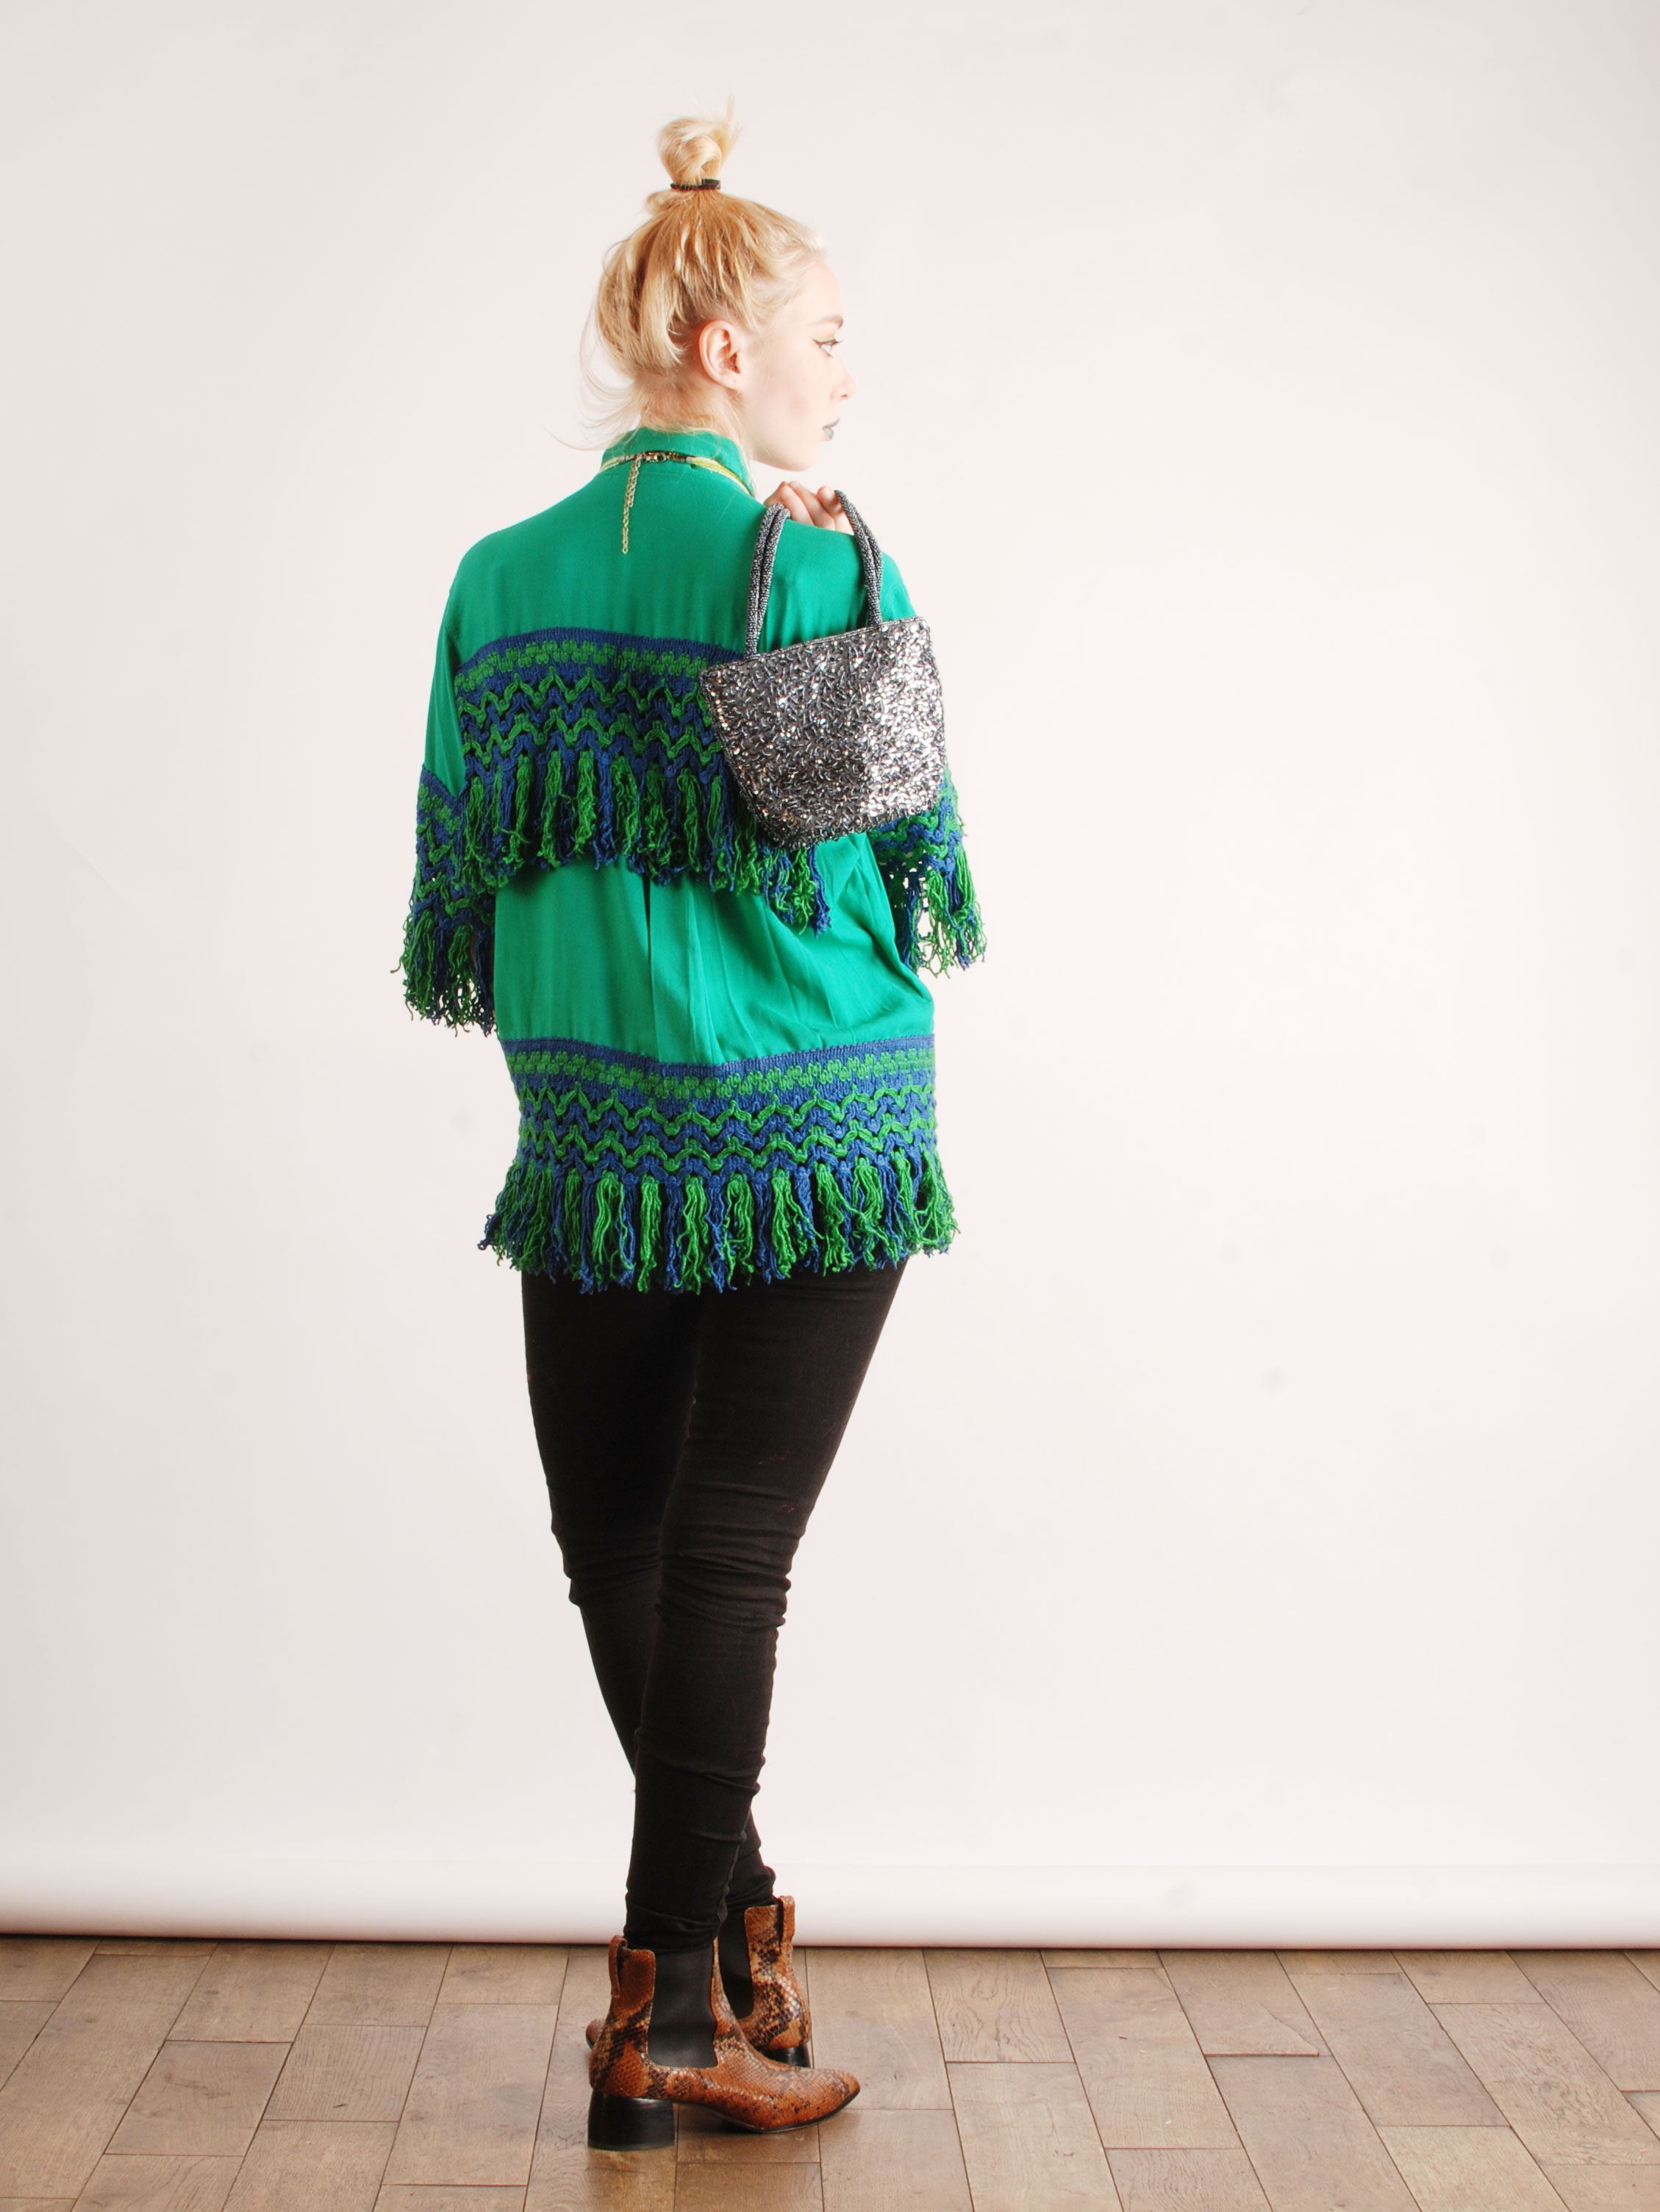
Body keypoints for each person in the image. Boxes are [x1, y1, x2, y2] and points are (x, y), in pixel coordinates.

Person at [398, 107, 984, 2147]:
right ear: (726, 351)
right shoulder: (819, 555)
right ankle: (681, 1996)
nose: (847, 371)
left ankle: (712, 1952)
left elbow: (455, 887)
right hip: (823, 1123)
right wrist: (851, 563)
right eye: (826, 334)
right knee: (723, 1553)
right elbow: (913, 858)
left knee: (623, 1548)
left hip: (594, 1132)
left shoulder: (494, 584)